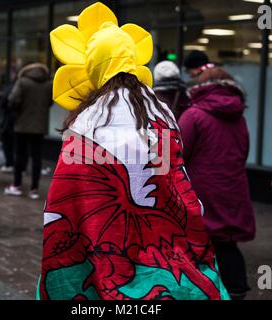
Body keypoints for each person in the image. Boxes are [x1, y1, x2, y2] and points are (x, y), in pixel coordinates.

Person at [37, 2, 229, 300]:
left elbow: (65, 199)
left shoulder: (88, 121)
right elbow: (178, 183)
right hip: (162, 248)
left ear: (93, 66)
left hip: (103, 248)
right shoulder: (160, 112)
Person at [178, 67, 255, 300]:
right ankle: (236, 288)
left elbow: (178, 153)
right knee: (227, 243)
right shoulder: (239, 117)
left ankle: (200, 291)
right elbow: (243, 151)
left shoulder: (193, 116)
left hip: (202, 190)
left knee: (198, 244)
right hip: (232, 187)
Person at [4, 62, 52, 200]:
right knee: (37, 158)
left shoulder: (23, 81)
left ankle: (17, 185)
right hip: (40, 126)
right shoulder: (48, 84)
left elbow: (12, 99)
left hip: (22, 125)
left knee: (20, 156)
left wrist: (19, 110)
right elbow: (50, 102)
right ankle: (34, 189)